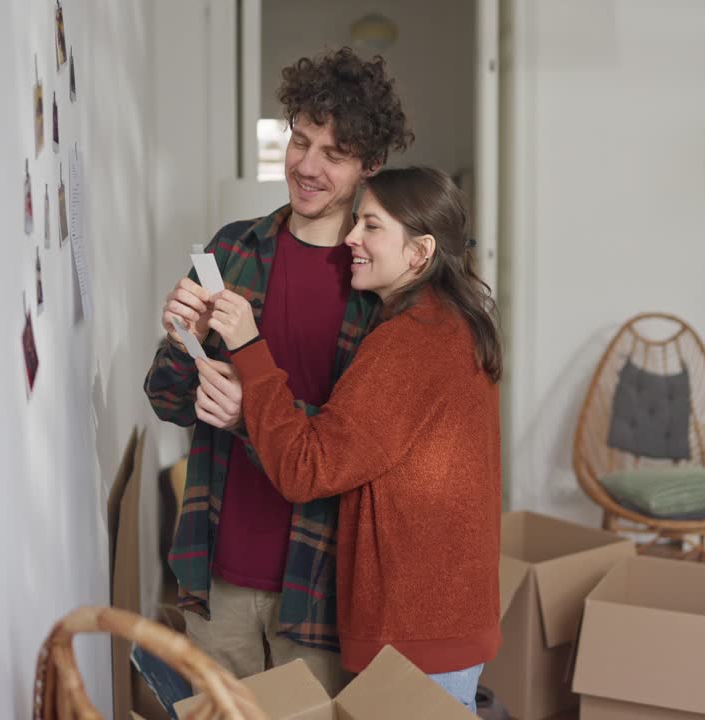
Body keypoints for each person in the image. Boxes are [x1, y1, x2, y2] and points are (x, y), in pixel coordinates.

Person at [143, 48, 412, 694]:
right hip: (219, 575)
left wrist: (249, 416)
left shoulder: (379, 289)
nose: (308, 167)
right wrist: (185, 338)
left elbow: (352, 449)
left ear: (371, 165)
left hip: (320, 587)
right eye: (300, 140)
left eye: (334, 153)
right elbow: (167, 399)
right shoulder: (233, 248)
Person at [207, 166, 503, 710]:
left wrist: (249, 347)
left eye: (371, 226)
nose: (351, 238)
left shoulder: (410, 344)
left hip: (417, 634)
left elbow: (307, 467)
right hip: (442, 622)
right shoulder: (450, 324)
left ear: (419, 252)